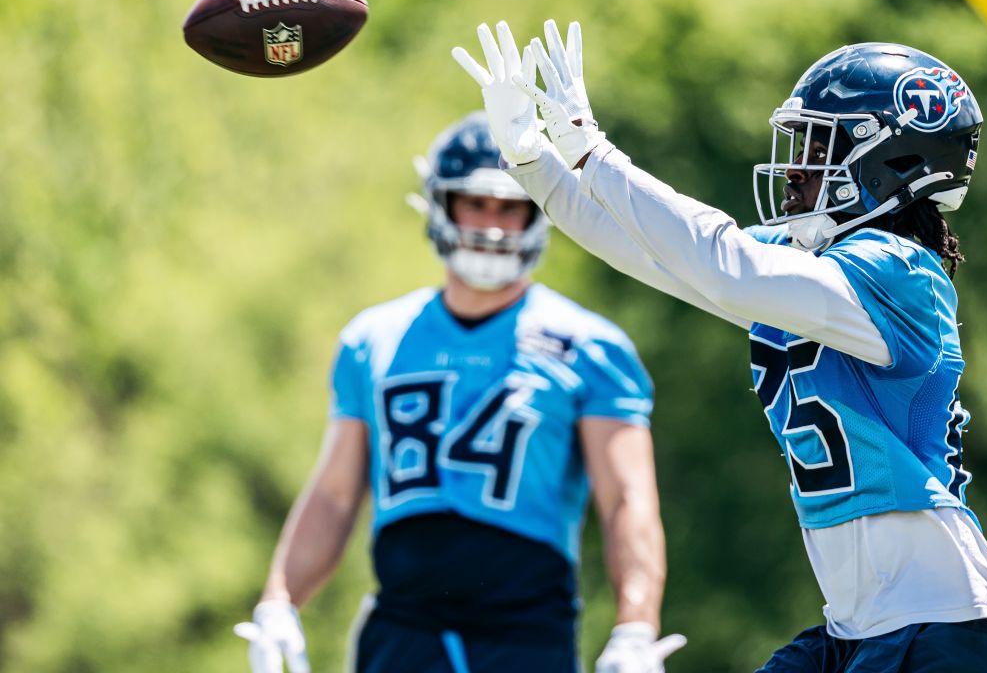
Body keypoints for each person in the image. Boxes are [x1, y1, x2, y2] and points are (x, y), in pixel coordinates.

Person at [452, 21, 987, 672]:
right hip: (860, 629)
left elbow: (725, 263)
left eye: (816, 143)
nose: (793, 166)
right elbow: (657, 258)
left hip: (947, 627)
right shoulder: (811, 267)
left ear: (889, 159)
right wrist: (536, 161)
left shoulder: (901, 272)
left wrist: (594, 151)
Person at [233, 113, 686, 673]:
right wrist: (280, 600)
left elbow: (627, 502)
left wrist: (636, 626)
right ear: (440, 205)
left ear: (536, 212)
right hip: (402, 626)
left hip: (525, 630)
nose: (492, 224)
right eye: (476, 202)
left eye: (510, 205)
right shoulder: (372, 338)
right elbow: (334, 495)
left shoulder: (590, 346)